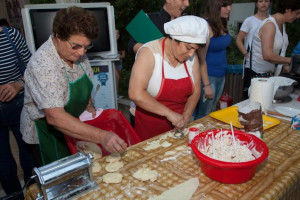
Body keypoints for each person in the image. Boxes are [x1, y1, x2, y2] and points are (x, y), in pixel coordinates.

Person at [20, 6, 127, 166]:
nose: (82, 53)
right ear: (58, 36)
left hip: (72, 125)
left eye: (86, 46)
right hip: (46, 134)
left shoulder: (78, 54)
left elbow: (85, 85)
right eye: (76, 46)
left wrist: (89, 104)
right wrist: (103, 136)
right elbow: (55, 117)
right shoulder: (43, 64)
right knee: (62, 182)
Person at [128, 16, 209, 141]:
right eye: (188, 48)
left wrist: (186, 117)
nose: (191, 54)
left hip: (179, 125)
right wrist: (169, 114)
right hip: (148, 127)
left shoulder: (192, 58)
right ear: (174, 40)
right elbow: (136, 93)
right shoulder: (149, 53)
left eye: (195, 49)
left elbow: (196, 91)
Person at [128, 0, 190, 127]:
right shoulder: (148, 19)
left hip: (177, 105)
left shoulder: (186, 24)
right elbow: (131, 45)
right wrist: (153, 51)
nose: (187, 4)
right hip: (147, 106)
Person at [0, 22, 36, 199]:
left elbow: (32, 68)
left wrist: (17, 84)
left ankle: (33, 193)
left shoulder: (11, 35)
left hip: (18, 106)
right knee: (3, 165)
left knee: (29, 155)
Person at [193, 0, 233, 120]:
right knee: (203, 116)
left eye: (230, 5)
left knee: (212, 113)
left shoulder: (222, 23)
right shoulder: (205, 26)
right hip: (208, 77)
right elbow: (201, 59)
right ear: (215, 7)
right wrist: (207, 85)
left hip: (221, 75)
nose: (229, 8)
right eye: (225, 5)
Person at [248, 0, 300, 80]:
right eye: (297, 13)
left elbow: (278, 50)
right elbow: (268, 55)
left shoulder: (282, 25)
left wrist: (284, 64)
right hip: (258, 76)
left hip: (270, 74)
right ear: (288, 9)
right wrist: (290, 60)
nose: (298, 16)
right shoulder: (269, 25)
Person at [235, 0, 271, 98]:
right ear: (256, 3)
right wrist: (246, 54)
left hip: (268, 66)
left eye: (266, 1)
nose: (263, 3)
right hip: (251, 65)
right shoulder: (249, 20)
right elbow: (238, 39)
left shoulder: (272, 21)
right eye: (260, 1)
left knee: (265, 97)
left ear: (270, 3)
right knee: (249, 96)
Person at [114, 29, 126, 97]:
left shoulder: (121, 44)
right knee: (116, 77)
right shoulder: (110, 44)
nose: (116, 35)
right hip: (113, 63)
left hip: (119, 62)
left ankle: (116, 93)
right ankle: (115, 94)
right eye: (115, 33)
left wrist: (117, 56)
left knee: (118, 78)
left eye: (118, 33)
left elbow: (123, 55)